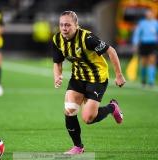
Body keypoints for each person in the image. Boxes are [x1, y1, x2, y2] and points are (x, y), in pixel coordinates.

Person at [52, 11, 126, 154]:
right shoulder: (57, 39)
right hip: (78, 78)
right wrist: (57, 76)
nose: (64, 28)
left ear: (76, 25)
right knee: (69, 110)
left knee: (88, 118)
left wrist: (119, 75)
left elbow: (111, 51)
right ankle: (78, 147)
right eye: (61, 25)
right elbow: (57, 62)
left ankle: (112, 107)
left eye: (67, 25)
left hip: (96, 79)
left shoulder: (88, 38)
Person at [132, 9, 158, 87]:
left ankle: (151, 81)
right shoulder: (142, 23)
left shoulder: (156, 23)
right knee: (143, 61)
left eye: (150, 14)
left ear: (153, 15)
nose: (149, 15)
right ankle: (143, 79)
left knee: (152, 60)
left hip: (153, 44)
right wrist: (135, 43)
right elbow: (137, 33)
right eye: (147, 14)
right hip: (144, 44)